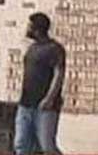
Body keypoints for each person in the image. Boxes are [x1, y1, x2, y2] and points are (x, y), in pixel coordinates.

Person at [15, 12, 65, 155]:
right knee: (21, 145)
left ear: (37, 29)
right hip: (25, 104)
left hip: (45, 107)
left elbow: (58, 74)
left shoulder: (54, 49)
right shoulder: (32, 48)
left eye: (29, 26)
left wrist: (49, 99)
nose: (27, 28)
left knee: (47, 146)